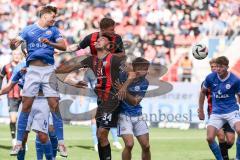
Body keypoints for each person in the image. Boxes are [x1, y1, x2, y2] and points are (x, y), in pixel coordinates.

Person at [56, 33, 131, 160]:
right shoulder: (91, 60)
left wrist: (124, 87)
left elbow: (132, 73)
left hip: (112, 101)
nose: (97, 40)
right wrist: (68, 78)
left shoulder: (114, 59)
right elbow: (63, 69)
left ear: (108, 45)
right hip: (100, 102)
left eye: (101, 39)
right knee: (99, 135)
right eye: (97, 39)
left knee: (102, 133)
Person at [9, 5, 67, 157]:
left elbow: (63, 46)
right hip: (33, 71)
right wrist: (12, 43)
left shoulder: (54, 30)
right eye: (52, 16)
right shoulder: (28, 30)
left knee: (55, 105)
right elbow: (14, 44)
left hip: (48, 70)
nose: (54, 19)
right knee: (26, 105)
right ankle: (19, 143)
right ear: (44, 15)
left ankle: (61, 143)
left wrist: (50, 43)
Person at [198, 56, 240, 160]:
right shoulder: (210, 77)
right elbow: (203, 92)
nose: (218, 69)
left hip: (231, 111)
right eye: (217, 67)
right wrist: (201, 110)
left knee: (238, 132)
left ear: (227, 67)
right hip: (216, 113)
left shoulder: (235, 80)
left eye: (221, 67)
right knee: (210, 138)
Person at [116, 57, 151, 160]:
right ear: (134, 68)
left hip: (137, 115)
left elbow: (135, 101)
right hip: (122, 115)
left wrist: (122, 90)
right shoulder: (122, 75)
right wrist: (128, 80)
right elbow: (120, 63)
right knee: (129, 144)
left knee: (146, 146)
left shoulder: (145, 82)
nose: (145, 71)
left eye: (146, 68)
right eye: (142, 68)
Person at [0, 50, 22, 147]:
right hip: (11, 96)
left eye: (18, 54)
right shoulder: (6, 67)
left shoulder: (24, 65)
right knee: (13, 120)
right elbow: (1, 78)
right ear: (12, 56)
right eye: (14, 54)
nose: (16, 56)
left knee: (23, 120)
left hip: (24, 96)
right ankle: (14, 140)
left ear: (20, 55)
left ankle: (22, 141)